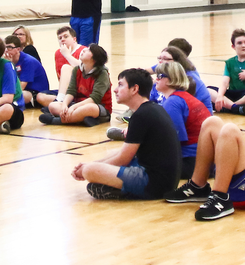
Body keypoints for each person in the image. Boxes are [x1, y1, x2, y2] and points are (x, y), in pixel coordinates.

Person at [73, 69, 181, 200]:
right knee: (105, 158)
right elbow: (125, 154)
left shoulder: (141, 115)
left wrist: (88, 168)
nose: (115, 90)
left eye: (120, 85)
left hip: (153, 183)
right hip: (165, 181)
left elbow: (123, 159)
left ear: (134, 89)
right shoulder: (151, 109)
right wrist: (90, 163)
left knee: (90, 171)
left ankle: (127, 191)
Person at [153, 61, 210, 179]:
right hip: (204, 161)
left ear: (170, 80)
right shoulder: (182, 97)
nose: (156, 79)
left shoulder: (173, 102)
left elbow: (175, 139)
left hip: (191, 163)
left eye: (159, 76)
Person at [42, 44, 112, 126]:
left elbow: (94, 99)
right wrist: (64, 105)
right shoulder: (77, 69)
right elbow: (71, 91)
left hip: (98, 107)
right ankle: (83, 119)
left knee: (89, 108)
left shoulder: (102, 73)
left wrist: (73, 108)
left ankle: (56, 120)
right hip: (78, 104)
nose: (84, 50)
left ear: (95, 59)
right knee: (52, 106)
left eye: (89, 50)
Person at [4, 34, 52, 107]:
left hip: (36, 93)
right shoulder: (5, 61)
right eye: (5, 47)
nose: (6, 50)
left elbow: (20, 87)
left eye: (9, 47)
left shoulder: (28, 61)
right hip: (24, 91)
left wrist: (10, 68)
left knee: (19, 94)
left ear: (18, 49)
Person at [54, 25, 86, 97]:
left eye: (66, 36)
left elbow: (84, 69)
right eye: (60, 38)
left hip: (81, 90)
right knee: (41, 96)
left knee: (66, 67)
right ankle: (64, 101)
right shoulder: (58, 53)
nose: (62, 39)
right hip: (66, 91)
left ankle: (61, 100)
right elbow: (60, 77)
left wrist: (67, 55)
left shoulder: (84, 51)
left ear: (74, 39)